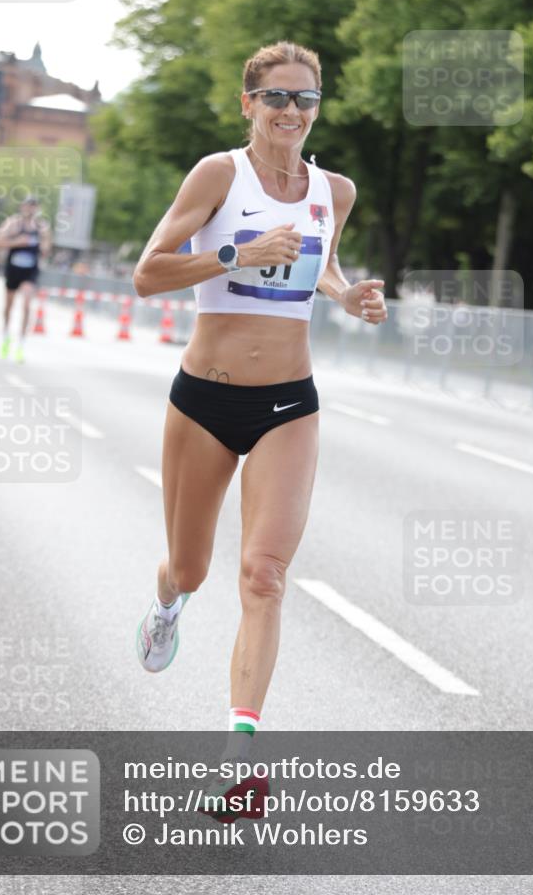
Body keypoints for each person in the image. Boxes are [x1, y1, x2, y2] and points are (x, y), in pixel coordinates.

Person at [133, 41, 387, 816]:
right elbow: (149, 272)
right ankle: (168, 601)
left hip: (288, 403)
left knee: (265, 575)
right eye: (275, 98)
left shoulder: (333, 190)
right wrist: (236, 252)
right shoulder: (219, 175)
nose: (290, 112)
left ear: (317, 109)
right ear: (249, 105)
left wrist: (346, 298)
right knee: (193, 567)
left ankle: (239, 762)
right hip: (204, 401)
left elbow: (325, 264)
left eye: (304, 99)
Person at [0, 195, 52, 362]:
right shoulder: (12, 223)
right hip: (13, 269)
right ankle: (6, 337)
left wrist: (44, 247)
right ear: (22, 207)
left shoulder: (42, 227)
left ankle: (21, 344)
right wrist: (17, 242)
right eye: (28, 206)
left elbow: (47, 246)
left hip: (30, 271)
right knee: (9, 306)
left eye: (34, 206)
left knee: (27, 304)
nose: (30, 209)